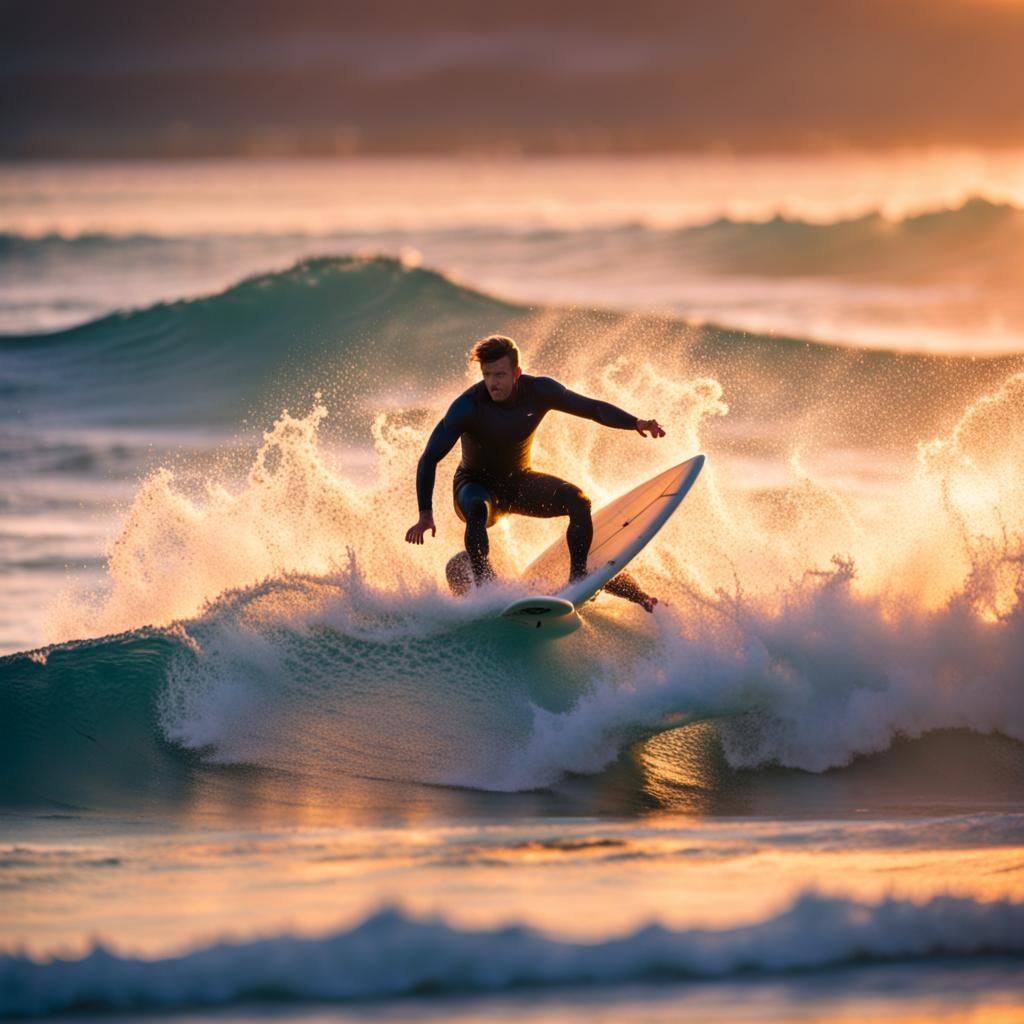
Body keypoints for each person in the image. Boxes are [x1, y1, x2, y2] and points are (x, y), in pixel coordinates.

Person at [405, 334, 665, 607]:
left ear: (517, 372)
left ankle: (579, 579)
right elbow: (429, 458)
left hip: (518, 483)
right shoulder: (467, 406)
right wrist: (425, 514)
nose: (493, 382)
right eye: (487, 375)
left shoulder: (540, 392)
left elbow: (593, 408)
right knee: (478, 509)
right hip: (474, 486)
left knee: (578, 501)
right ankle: (484, 590)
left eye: (500, 375)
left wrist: (635, 422)